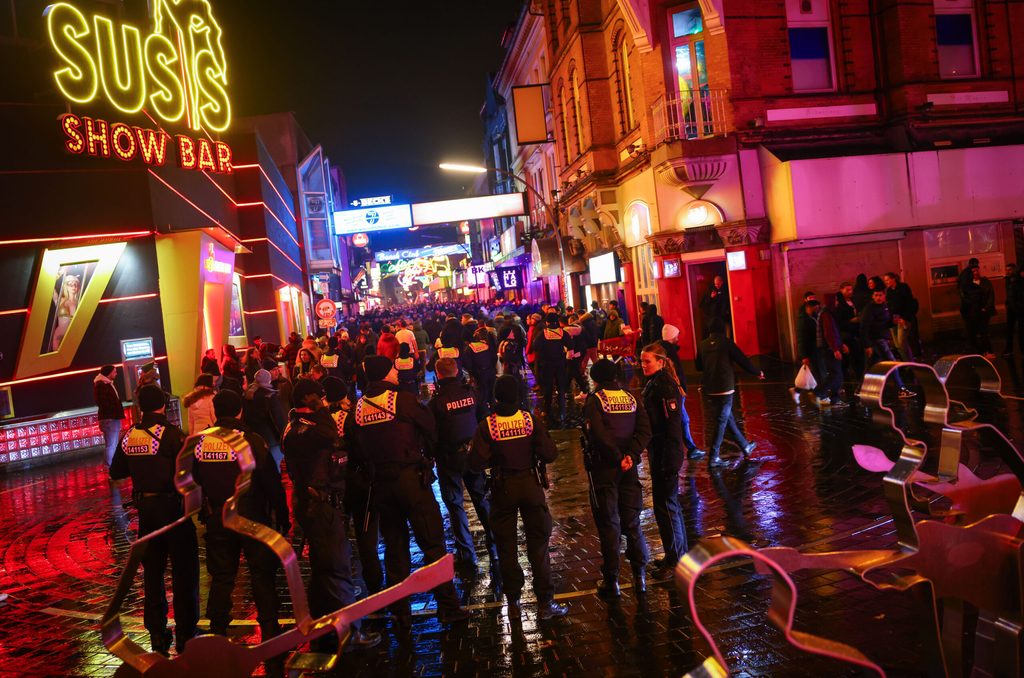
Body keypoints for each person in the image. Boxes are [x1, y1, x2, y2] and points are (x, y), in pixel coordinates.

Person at [343, 356, 470, 630]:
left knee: (395, 549)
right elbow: (430, 428)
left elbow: (353, 450)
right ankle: (447, 607)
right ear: (384, 374)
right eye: (392, 369)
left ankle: (401, 614)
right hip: (411, 480)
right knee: (433, 544)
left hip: (381, 487)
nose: (396, 372)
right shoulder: (404, 400)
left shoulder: (357, 409)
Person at [282, 378, 381, 651]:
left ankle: (323, 628)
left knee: (323, 569)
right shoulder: (309, 429)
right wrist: (323, 408)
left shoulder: (296, 426)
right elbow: (328, 433)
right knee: (336, 568)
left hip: (314, 505)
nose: (325, 401)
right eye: (320, 397)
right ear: (309, 400)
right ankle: (349, 633)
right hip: (321, 507)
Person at [189, 390, 289, 642]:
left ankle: (218, 628)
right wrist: (282, 514)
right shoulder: (251, 440)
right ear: (240, 411)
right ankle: (269, 626)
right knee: (261, 572)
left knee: (222, 575)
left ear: (215, 412)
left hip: (217, 516)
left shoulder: (199, 442)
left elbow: (193, 480)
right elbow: (270, 481)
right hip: (250, 515)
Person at [468, 375, 568, 619]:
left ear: (496, 396)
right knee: (539, 547)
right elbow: (550, 454)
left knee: (506, 548)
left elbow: (474, 462)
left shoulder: (487, 425)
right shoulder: (529, 420)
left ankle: (513, 603)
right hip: (530, 486)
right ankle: (545, 602)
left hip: (502, 489)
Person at [109, 385, 198, 656]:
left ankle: (157, 634)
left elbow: (117, 471)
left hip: (146, 512)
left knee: (153, 574)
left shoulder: (129, 436)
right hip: (174, 510)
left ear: (140, 406)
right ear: (162, 405)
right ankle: (186, 632)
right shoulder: (171, 436)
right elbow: (190, 468)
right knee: (184, 572)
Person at [582, 359, 652, 598]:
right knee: (632, 522)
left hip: (605, 469)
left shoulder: (596, 400)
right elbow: (645, 429)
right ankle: (639, 576)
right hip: (628, 467)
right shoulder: (631, 398)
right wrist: (631, 455)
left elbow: (599, 435)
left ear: (597, 379)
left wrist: (617, 456)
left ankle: (612, 580)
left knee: (609, 524)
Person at [429, 358, 497, 570]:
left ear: (438, 375)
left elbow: (432, 434)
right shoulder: (471, 393)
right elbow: (484, 419)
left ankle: (467, 554)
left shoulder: (436, 402)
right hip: (472, 455)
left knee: (455, 505)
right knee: (481, 500)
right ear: (457, 370)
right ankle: (495, 545)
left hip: (449, 458)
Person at [640, 343, 690, 578]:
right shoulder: (654, 383)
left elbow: (672, 426)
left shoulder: (664, 386)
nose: (643, 365)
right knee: (666, 505)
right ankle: (676, 554)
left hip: (666, 453)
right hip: (658, 451)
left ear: (660, 362)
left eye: (647, 361)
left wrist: (670, 459)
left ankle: (676, 561)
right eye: (641, 361)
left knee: (667, 507)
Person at [695, 318, 765, 468]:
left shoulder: (702, 345)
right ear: (723, 329)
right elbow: (742, 360)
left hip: (710, 387)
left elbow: (698, 366)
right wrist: (757, 372)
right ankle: (714, 456)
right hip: (725, 386)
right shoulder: (726, 343)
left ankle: (745, 446)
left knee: (727, 418)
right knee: (721, 420)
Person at [659, 325, 705, 459]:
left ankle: (687, 448)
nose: (678, 338)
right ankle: (689, 448)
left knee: (679, 419)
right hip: (675, 391)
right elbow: (677, 372)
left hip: (671, 390)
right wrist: (681, 388)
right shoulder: (670, 352)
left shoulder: (661, 349)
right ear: (672, 337)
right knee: (683, 419)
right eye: (676, 336)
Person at [860, 288, 915, 397]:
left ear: (884, 296)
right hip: (877, 340)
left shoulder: (884, 307)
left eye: (880, 295)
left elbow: (884, 323)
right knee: (892, 363)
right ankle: (901, 389)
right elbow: (864, 327)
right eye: (876, 295)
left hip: (881, 339)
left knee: (870, 366)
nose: (878, 298)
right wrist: (867, 344)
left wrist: (892, 322)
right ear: (872, 296)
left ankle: (860, 389)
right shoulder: (870, 309)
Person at [530, 312, 573, 429]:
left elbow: (535, 346)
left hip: (547, 364)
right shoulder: (561, 332)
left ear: (547, 322)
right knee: (560, 387)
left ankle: (547, 410)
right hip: (559, 363)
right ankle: (562, 411)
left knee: (548, 387)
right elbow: (570, 344)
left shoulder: (543, 333)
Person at [243, 369, 287, 470]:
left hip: (252, 436)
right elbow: (278, 417)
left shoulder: (247, 394)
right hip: (270, 437)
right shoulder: (270, 395)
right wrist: (283, 434)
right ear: (268, 380)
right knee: (276, 465)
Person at [806, 300, 847, 407]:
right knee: (836, 374)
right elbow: (829, 332)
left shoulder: (826, 314)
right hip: (829, 349)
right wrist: (835, 349)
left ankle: (835, 399)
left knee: (836, 374)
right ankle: (818, 392)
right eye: (837, 301)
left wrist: (840, 345)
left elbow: (834, 332)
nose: (838, 304)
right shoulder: (826, 314)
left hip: (829, 348)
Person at [882, 272, 921, 361]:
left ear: (893, 279)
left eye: (887, 280)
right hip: (893, 320)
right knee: (897, 345)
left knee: (901, 342)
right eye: (885, 281)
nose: (886, 282)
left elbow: (908, 303)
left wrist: (904, 318)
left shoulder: (903, 288)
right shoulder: (889, 291)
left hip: (902, 318)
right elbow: (889, 305)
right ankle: (906, 362)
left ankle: (909, 361)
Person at [961, 264, 997, 358]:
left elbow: (990, 295)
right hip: (974, 312)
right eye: (973, 271)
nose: (976, 273)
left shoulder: (985, 282)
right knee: (974, 333)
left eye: (977, 270)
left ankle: (986, 351)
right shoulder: (968, 286)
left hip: (983, 311)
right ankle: (980, 352)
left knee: (983, 332)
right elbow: (966, 300)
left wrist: (986, 307)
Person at [93, 365, 124, 466]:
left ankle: (112, 466)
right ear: (109, 373)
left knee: (112, 444)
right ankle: (111, 466)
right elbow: (102, 402)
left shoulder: (106, 383)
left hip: (111, 417)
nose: (116, 374)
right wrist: (113, 411)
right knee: (111, 445)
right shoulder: (102, 384)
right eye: (114, 372)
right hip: (110, 418)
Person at [791, 291, 819, 403]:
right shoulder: (803, 318)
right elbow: (801, 338)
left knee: (814, 373)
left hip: (816, 349)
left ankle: (816, 393)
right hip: (810, 350)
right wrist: (804, 355)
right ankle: (817, 394)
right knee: (814, 373)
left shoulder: (814, 315)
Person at [834, 282, 863, 380]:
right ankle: (845, 382)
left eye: (851, 289)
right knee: (846, 359)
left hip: (855, 332)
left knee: (857, 358)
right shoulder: (839, 305)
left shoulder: (853, 301)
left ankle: (857, 379)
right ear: (841, 290)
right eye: (847, 290)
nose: (850, 292)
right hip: (846, 334)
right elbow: (838, 322)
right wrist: (851, 321)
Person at [464, 327, 497, 411]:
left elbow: (467, 363)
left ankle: (484, 415)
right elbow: (494, 358)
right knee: (492, 394)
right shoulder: (487, 345)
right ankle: (494, 412)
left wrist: (472, 372)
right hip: (490, 372)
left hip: (479, 374)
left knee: (481, 395)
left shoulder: (470, 347)